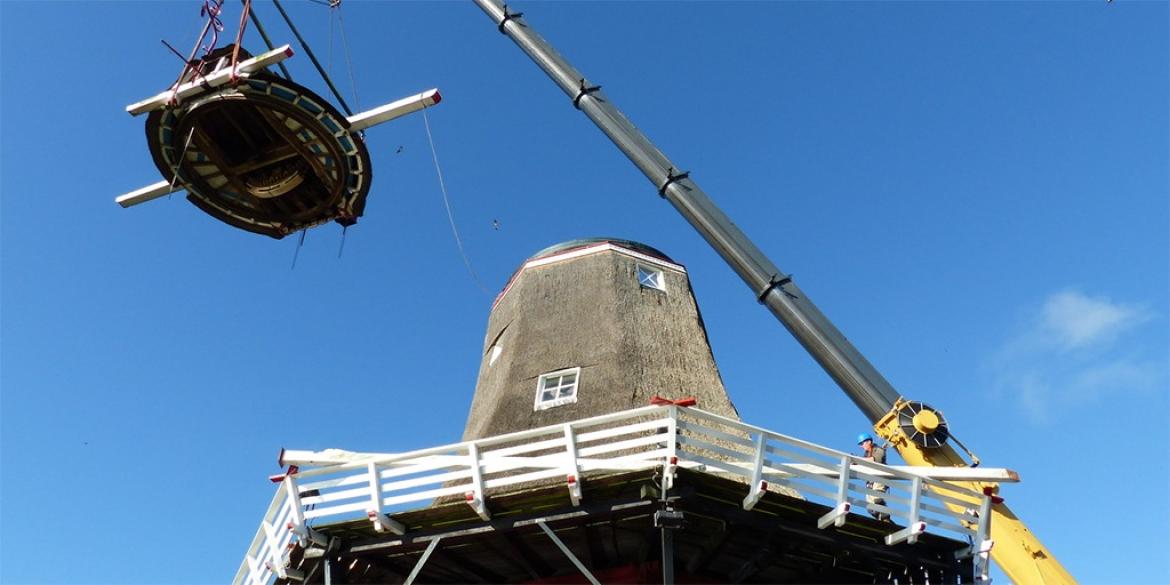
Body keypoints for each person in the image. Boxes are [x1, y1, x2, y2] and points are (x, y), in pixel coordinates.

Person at [858, 432, 891, 522]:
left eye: (862, 443)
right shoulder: (866, 454)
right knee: (870, 507)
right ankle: (881, 519)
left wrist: (858, 460)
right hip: (870, 482)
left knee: (878, 499)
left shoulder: (878, 449)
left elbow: (875, 460)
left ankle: (886, 519)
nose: (861, 446)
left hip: (880, 478)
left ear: (869, 441)